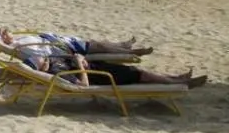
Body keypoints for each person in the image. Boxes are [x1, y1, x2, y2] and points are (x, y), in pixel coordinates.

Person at [23, 50, 206, 89]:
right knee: (140, 75)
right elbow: (84, 85)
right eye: (39, 59)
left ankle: (175, 78)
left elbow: (74, 56)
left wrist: (81, 59)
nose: (41, 57)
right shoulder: (56, 74)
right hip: (101, 77)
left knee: (136, 71)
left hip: (99, 67)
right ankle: (180, 83)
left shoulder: (53, 60)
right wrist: (79, 65)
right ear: (39, 67)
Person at [0, 27, 153, 59]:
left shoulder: (19, 40)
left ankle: (125, 45)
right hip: (66, 48)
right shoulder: (19, 46)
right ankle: (132, 52)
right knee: (100, 46)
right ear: (4, 39)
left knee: (99, 43)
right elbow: (42, 52)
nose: (8, 32)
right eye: (5, 33)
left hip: (65, 42)